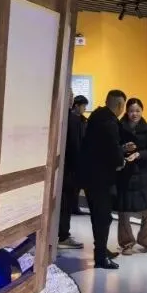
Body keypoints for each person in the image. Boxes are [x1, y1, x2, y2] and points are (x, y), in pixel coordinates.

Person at [79, 90, 131, 270]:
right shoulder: (109, 122)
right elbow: (112, 149)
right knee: (102, 217)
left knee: (99, 216)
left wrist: (120, 151)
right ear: (120, 105)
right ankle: (100, 256)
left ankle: (101, 250)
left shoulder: (97, 117)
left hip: (91, 176)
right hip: (101, 179)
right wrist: (121, 160)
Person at [115, 98, 147, 255]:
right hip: (125, 173)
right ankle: (127, 243)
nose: (134, 114)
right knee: (124, 210)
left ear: (142, 111)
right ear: (127, 111)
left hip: (143, 174)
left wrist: (139, 154)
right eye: (131, 111)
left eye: (137, 111)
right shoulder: (119, 127)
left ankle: (145, 239)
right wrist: (123, 149)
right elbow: (112, 147)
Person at [58, 94, 89, 249]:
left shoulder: (75, 119)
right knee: (65, 204)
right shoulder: (72, 120)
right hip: (68, 170)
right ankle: (63, 235)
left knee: (65, 204)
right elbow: (75, 147)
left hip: (66, 169)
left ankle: (62, 234)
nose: (70, 97)